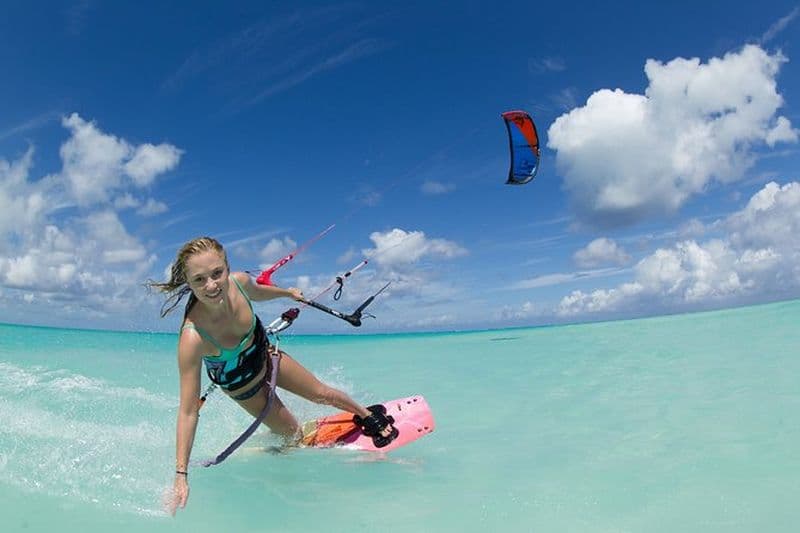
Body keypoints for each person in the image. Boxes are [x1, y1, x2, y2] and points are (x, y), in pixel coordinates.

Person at [148, 237, 397, 515]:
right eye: (199, 279)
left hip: (266, 356)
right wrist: (180, 475)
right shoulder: (192, 337)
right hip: (245, 386)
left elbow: (259, 292)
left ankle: (365, 415)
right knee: (292, 435)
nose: (211, 285)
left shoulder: (239, 283)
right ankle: (268, 451)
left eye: (217, 273)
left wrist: (287, 293)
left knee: (321, 393)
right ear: (189, 284)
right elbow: (188, 412)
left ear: (227, 268)